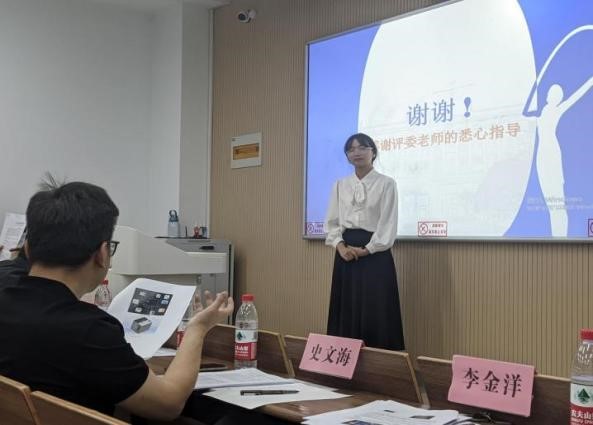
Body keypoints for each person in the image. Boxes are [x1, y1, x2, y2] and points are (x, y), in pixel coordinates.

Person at [0, 182, 234, 420]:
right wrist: (197, 328)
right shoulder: (88, 330)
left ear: (27, 248)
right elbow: (169, 403)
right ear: (103, 254)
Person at [324, 133, 404, 351]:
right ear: (347, 156)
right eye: (351, 149)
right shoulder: (340, 185)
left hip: (375, 254)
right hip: (346, 252)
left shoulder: (386, 184)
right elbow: (332, 222)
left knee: (376, 308)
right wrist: (340, 246)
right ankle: (343, 360)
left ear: (373, 152)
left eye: (362, 148)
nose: (356, 152)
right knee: (346, 308)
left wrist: (367, 250)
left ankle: (380, 363)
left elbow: (388, 224)